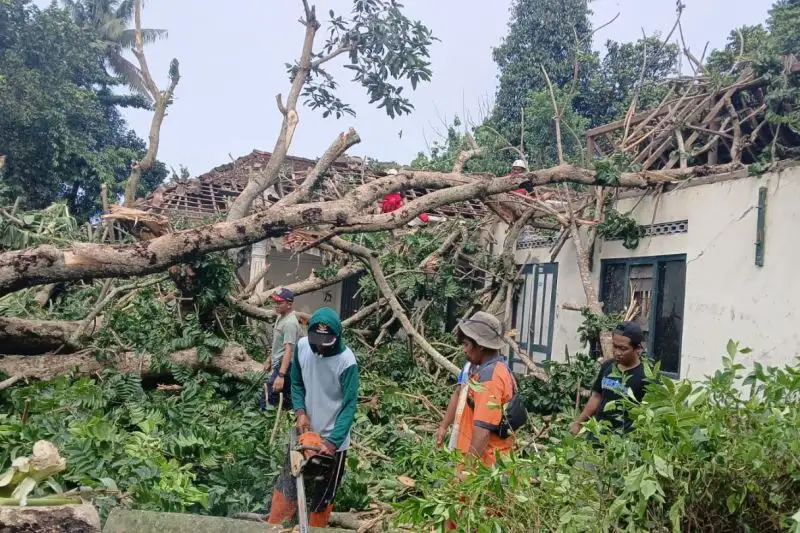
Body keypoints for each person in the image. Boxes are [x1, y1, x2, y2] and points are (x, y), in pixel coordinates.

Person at [266, 307, 359, 529]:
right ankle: (275, 525)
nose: (319, 346)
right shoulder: (302, 347)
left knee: (323, 496)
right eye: (316, 340)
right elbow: (297, 384)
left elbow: (349, 406)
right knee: (288, 485)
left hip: (333, 440)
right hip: (306, 432)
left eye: (324, 341)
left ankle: (316, 527)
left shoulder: (346, 362)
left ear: (336, 337)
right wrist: (300, 412)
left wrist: (333, 442)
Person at [451, 311, 516, 467]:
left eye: (466, 344)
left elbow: (482, 432)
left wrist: (467, 471)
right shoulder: (491, 370)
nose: (465, 350)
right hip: (482, 463)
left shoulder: (490, 379)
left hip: (484, 469)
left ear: (479, 346)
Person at [570, 321, 649, 437]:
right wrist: (578, 423)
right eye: (615, 346)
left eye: (623, 349)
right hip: (598, 434)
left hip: (623, 442)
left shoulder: (645, 376)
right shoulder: (608, 366)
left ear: (637, 348)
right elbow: (596, 397)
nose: (617, 352)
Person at [264, 288, 302, 410]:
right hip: (278, 363)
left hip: (285, 367)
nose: (276, 305)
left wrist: (281, 375)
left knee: (269, 399)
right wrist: (269, 359)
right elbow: (277, 343)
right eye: (276, 302)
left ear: (289, 304)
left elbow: (288, 351)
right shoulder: (280, 317)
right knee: (284, 399)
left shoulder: (290, 323)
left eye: (280, 303)